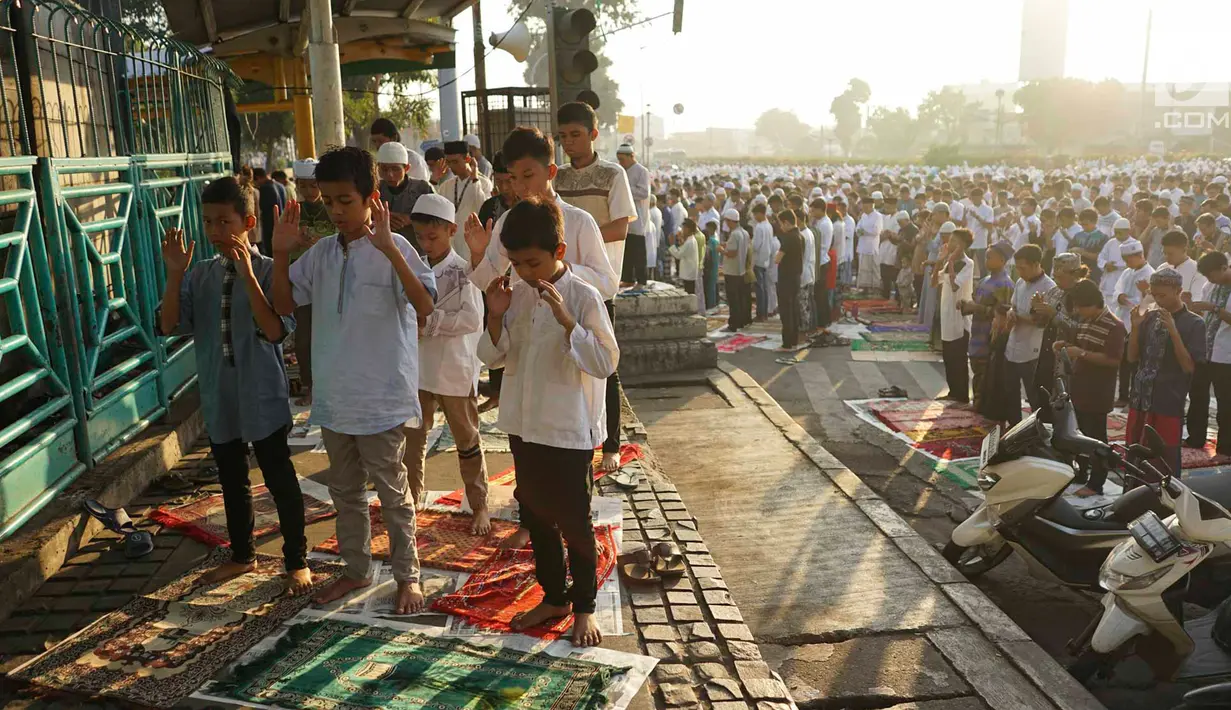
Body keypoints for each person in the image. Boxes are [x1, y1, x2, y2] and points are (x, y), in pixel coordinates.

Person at [271, 146, 438, 614]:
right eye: (328, 200)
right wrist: (280, 255)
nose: (336, 210)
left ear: (371, 199)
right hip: (336, 398)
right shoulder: (322, 254)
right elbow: (284, 305)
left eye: (346, 200)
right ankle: (356, 570)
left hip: (382, 397)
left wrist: (388, 248)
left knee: (392, 494)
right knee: (346, 494)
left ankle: (408, 576)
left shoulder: (396, 248)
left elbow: (425, 306)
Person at [157, 176, 310, 594]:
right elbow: (168, 324)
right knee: (231, 478)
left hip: (263, 392)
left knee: (279, 477)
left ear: (247, 223)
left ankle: (296, 559)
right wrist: (174, 275)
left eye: (224, 222)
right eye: (208, 223)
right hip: (219, 394)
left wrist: (247, 274)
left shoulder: (270, 269)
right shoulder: (199, 275)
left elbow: (276, 331)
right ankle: (242, 556)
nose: (215, 233)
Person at [479, 196, 619, 648]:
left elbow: (605, 362)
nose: (524, 272)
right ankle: (554, 597)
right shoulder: (516, 292)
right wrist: (495, 316)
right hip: (524, 424)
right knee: (536, 516)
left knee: (574, 523)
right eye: (517, 263)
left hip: (567, 429)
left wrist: (567, 323)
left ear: (560, 251)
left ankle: (584, 607)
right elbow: (494, 356)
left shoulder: (583, 296)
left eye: (533, 262)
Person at [553, 102, 635, 474]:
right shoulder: (559, 179)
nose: (569, 142)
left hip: (599, 283)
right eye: (563, 136)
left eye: (576, 134)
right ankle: (572, 437)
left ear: (593, 134)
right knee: (567, 357)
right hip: (563, 278)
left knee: (605, 364)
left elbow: (620, 228)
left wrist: (581, 240)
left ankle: (612, 444)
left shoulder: (613, 175)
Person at [402, 194, 489, 532]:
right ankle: (412, 498)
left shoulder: (465, 272)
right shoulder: (413, 267)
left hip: (454, 368)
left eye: (432, 237)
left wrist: (431, 321)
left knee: (466, 440)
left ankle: (479, 504)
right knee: (413, 437)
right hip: (419, 366)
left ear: (451, 230)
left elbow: (472, 319)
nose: (426, 243)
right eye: (420, 237)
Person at [1126, 269, 1207, 481]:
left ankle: (1165, 506)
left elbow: (1189, 367)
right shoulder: (1149, 317)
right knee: (1135, 452)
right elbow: (1132, 357)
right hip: (1140, 397)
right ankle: (1132, 498)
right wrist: (1135, 328)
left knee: (1164, 459)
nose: (1157, 300)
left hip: (1168, 400)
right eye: (1154, 295)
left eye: (1163, 295)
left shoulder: (1195, 323)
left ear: (1179, 291)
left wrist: (1173, 330)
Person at [1052, 279, 1126, 496]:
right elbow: (1079, 346)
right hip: (1079, 387)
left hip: (1098, 392)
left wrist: (1081, 354)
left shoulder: (1115, 325)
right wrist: (1063, 346)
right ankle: (1081, 473)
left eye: (1080, 306)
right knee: (1077, 436)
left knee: (1096, 439)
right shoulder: (1084, 320)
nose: (1076, 310)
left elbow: (1114, 360)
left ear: (1093, 303)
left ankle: (1096, 483)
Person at [288, 159, 334, 407]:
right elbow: (284, 244)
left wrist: (319, 240)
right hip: (302, 280)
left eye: (312, 186)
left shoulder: (331, 208)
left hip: (329, 278)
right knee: (304, 337)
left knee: (331, 334)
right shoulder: (293, 210)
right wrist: (297, 242)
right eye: (302, 186)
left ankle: (332, 383)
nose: (308, 192)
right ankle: (310, 386)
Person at [1005, 244, 1056, 421]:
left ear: (1036, 264)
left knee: (1035, 396)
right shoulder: (1020, 282)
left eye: (1022, 268)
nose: (1019, 272)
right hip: (1014, 344)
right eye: (1017, 268)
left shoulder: (1049, 287)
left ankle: (1037, 433)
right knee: (1010, 393)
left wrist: (1019, 317)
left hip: (1033, 349)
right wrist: (1011, 312)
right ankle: (1013, 428)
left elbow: (1042, 322)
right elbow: (1014, 305)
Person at [963, 241, 1014, 413]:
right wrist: (966, 305)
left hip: (989, 336)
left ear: (1002, 260)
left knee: (987, 374)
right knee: (977, 371)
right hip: (977, 333)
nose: (986, 260)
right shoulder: (985, 280)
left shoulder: (1005, 284)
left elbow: (1004, 313)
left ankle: (982, 405)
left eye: (990, 257)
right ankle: (977, 401)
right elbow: (977, 304)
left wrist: (977, 308)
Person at [1190, 251, 1231, 456]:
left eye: (1212, 274)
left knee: (1226, 402)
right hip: (1205, 349)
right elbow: (1203, 315)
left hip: (1226, 354)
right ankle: (1195, 437)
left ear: (1224, 268)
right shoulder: (1210, 286)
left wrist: (1213, 308)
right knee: (1197, 395)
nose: (1210, 279)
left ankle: (1226, 445)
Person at [1112, 239, 1154, 407]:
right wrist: (1119, 296)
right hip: (1123, 319)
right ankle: (1123, 396)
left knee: (1135, 363)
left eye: (1129, 258)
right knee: (1123, 362)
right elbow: (1117, 289)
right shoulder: (1127, 272)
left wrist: (1145, 291)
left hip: (1139, 323)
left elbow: (1151, 302)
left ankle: (1134, 396)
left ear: (1139, 255)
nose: (1127, 262)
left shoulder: (1150, 274)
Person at [376, 141, 435, 253]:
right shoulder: (375, 190)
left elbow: (438, 219)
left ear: (406, 168)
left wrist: (412, 219)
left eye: (395, 169)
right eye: (384, 169)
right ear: (378, 168)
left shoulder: (422, 189)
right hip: (382, 254)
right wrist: (380, 218)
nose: (390, 175)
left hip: (417, 254)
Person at [937, 227, 974, 403]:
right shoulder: (948, 262)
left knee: (958, 356)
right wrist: (940, 260)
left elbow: (954, 286)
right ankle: (953, 391)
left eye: (954, 241)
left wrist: (950, 261)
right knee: (948, 356)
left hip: (959, 316)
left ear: (963, 245)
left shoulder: (968, 264)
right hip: (946, 314)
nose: (950, 244)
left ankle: (962, 395)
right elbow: (934, 281)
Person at [439, 140, 493, 261]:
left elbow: (483, 209)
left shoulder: (483, 183)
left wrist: (475, 180)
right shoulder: (446, 186)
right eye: (449, 162)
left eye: (455, 162)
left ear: (467, 159)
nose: (452, 166)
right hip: (451, 249)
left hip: (473, 248)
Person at [616, 144, 651, 286]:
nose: (621, 163)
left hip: (638, 218)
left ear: (632, 156)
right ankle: (628, 279)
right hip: (624, 216)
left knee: (638, 252)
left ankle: (642, 280)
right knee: (626, 252)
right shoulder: (621, 171)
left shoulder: (642, 171)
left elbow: (643, 192)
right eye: (619, 160)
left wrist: (625, 190)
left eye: (622, 159)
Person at [775, 210, 804, 350]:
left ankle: (786, 343)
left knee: (786, 311)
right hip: (796, 277)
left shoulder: (789, 238)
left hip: (786, 278)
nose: (780, 227)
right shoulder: (800, 236)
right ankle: (793, 340)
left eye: (781, 224)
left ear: (786, 222)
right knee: (794, 309)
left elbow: (777, 258)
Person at [721, 210, 750, 330]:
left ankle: (734, 323)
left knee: (733, 300)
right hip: (741, 270)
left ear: (730, 221)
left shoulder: (734, 234)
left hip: (732, 271)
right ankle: (743, 320)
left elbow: (732, 253)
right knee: (741, 297)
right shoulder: (744, 233)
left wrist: (721, 250)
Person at [1096, 218, 1135, 305]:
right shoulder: (1111, 243)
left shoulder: (1134, 244)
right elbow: (1101, 257)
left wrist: (1116, 266)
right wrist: (1106, 264)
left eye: (1119, 232)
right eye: (1115, 232)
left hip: (1125, 282)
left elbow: (1135, 262)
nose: (1117, 235)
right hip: (1109, 282)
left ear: (1128, 231)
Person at [253, 167, 286, 257]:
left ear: (257, 178)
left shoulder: (265, 189)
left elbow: (263, 211)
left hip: (270, 230)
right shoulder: (280, 186)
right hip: (281, 226)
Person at [855, 195, 884, 293]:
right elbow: (858, 228)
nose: (864, 209)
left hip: (872, 247)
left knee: (873, 268)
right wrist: (860, 231)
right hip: (863, 245)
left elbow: (876, 230)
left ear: (871, 206)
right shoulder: (863, 216)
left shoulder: (878, 216)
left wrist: (864, 231)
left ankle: (874, 288)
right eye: (863, 207)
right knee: (863, 268)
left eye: (866, 207)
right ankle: (865, 288)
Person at [1070, 208, 1107, 282]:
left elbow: (1100, 257)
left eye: (1086, 224)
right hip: (1077, 273)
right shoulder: (1077, 236)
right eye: (1082, 224)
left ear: (1095, 222)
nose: (1083, 226)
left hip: (1094, 274)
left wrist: (1083, 252)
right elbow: (1069, 250)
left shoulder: (1103, 237)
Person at [751, 203, 774, 321]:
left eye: (755, 214)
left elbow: (756, 245)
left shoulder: (760, 227)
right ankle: (764, 312)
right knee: (763, 287)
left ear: (760, 214)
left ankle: (761, 314)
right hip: (766, 258)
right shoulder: (769, 225)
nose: (754, 217)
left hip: (759, 259)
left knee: (760, 288)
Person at [967, 187, 995, 278]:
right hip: (969, 241)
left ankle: (984, 284)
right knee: (967, 265)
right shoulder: (969, 208)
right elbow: (965, 224)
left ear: (980, 197)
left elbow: (989, 226)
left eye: (975, 197)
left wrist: (977, 217)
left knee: (982, 266)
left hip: (981, 241)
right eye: (972, 198)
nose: (973, 200)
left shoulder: (988, 209)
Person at [669, 217, 700, 299]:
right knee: (689, 293)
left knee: (689, 294)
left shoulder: (690, 242)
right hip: (689, 272)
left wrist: (672, 244)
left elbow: (678, 255)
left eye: (684, 228)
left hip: (689, 273)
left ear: (688, 229)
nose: (682, 230)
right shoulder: (689, 240)